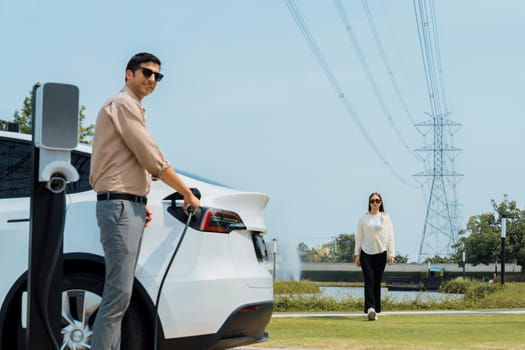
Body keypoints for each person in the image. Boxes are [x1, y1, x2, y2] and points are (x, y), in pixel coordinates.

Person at [89, 52, 200, 349]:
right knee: (117, 295)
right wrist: (187, 192)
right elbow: (152, 158)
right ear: (128, 74)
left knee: (119, 296)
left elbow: (127, 161)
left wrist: (138, 200)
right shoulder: (123, 104)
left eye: (157, 76)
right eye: (146, 73)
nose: (152, 79)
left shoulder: (130, 107)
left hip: (127, 205)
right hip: (120, 206)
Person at [354, 192, 395, 321]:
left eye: (377, 200)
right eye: (372, 201)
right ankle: (370, 308)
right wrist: (357, 254)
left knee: (377, 281)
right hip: (366, 252)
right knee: (369, 279)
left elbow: (390, 236)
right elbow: (359, 237)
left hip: (381, 252)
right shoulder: (364, 218)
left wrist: (391, 253)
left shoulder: (386, 218)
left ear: (381, 202)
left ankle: (376, 309)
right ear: (369, 203)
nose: (375, 203)